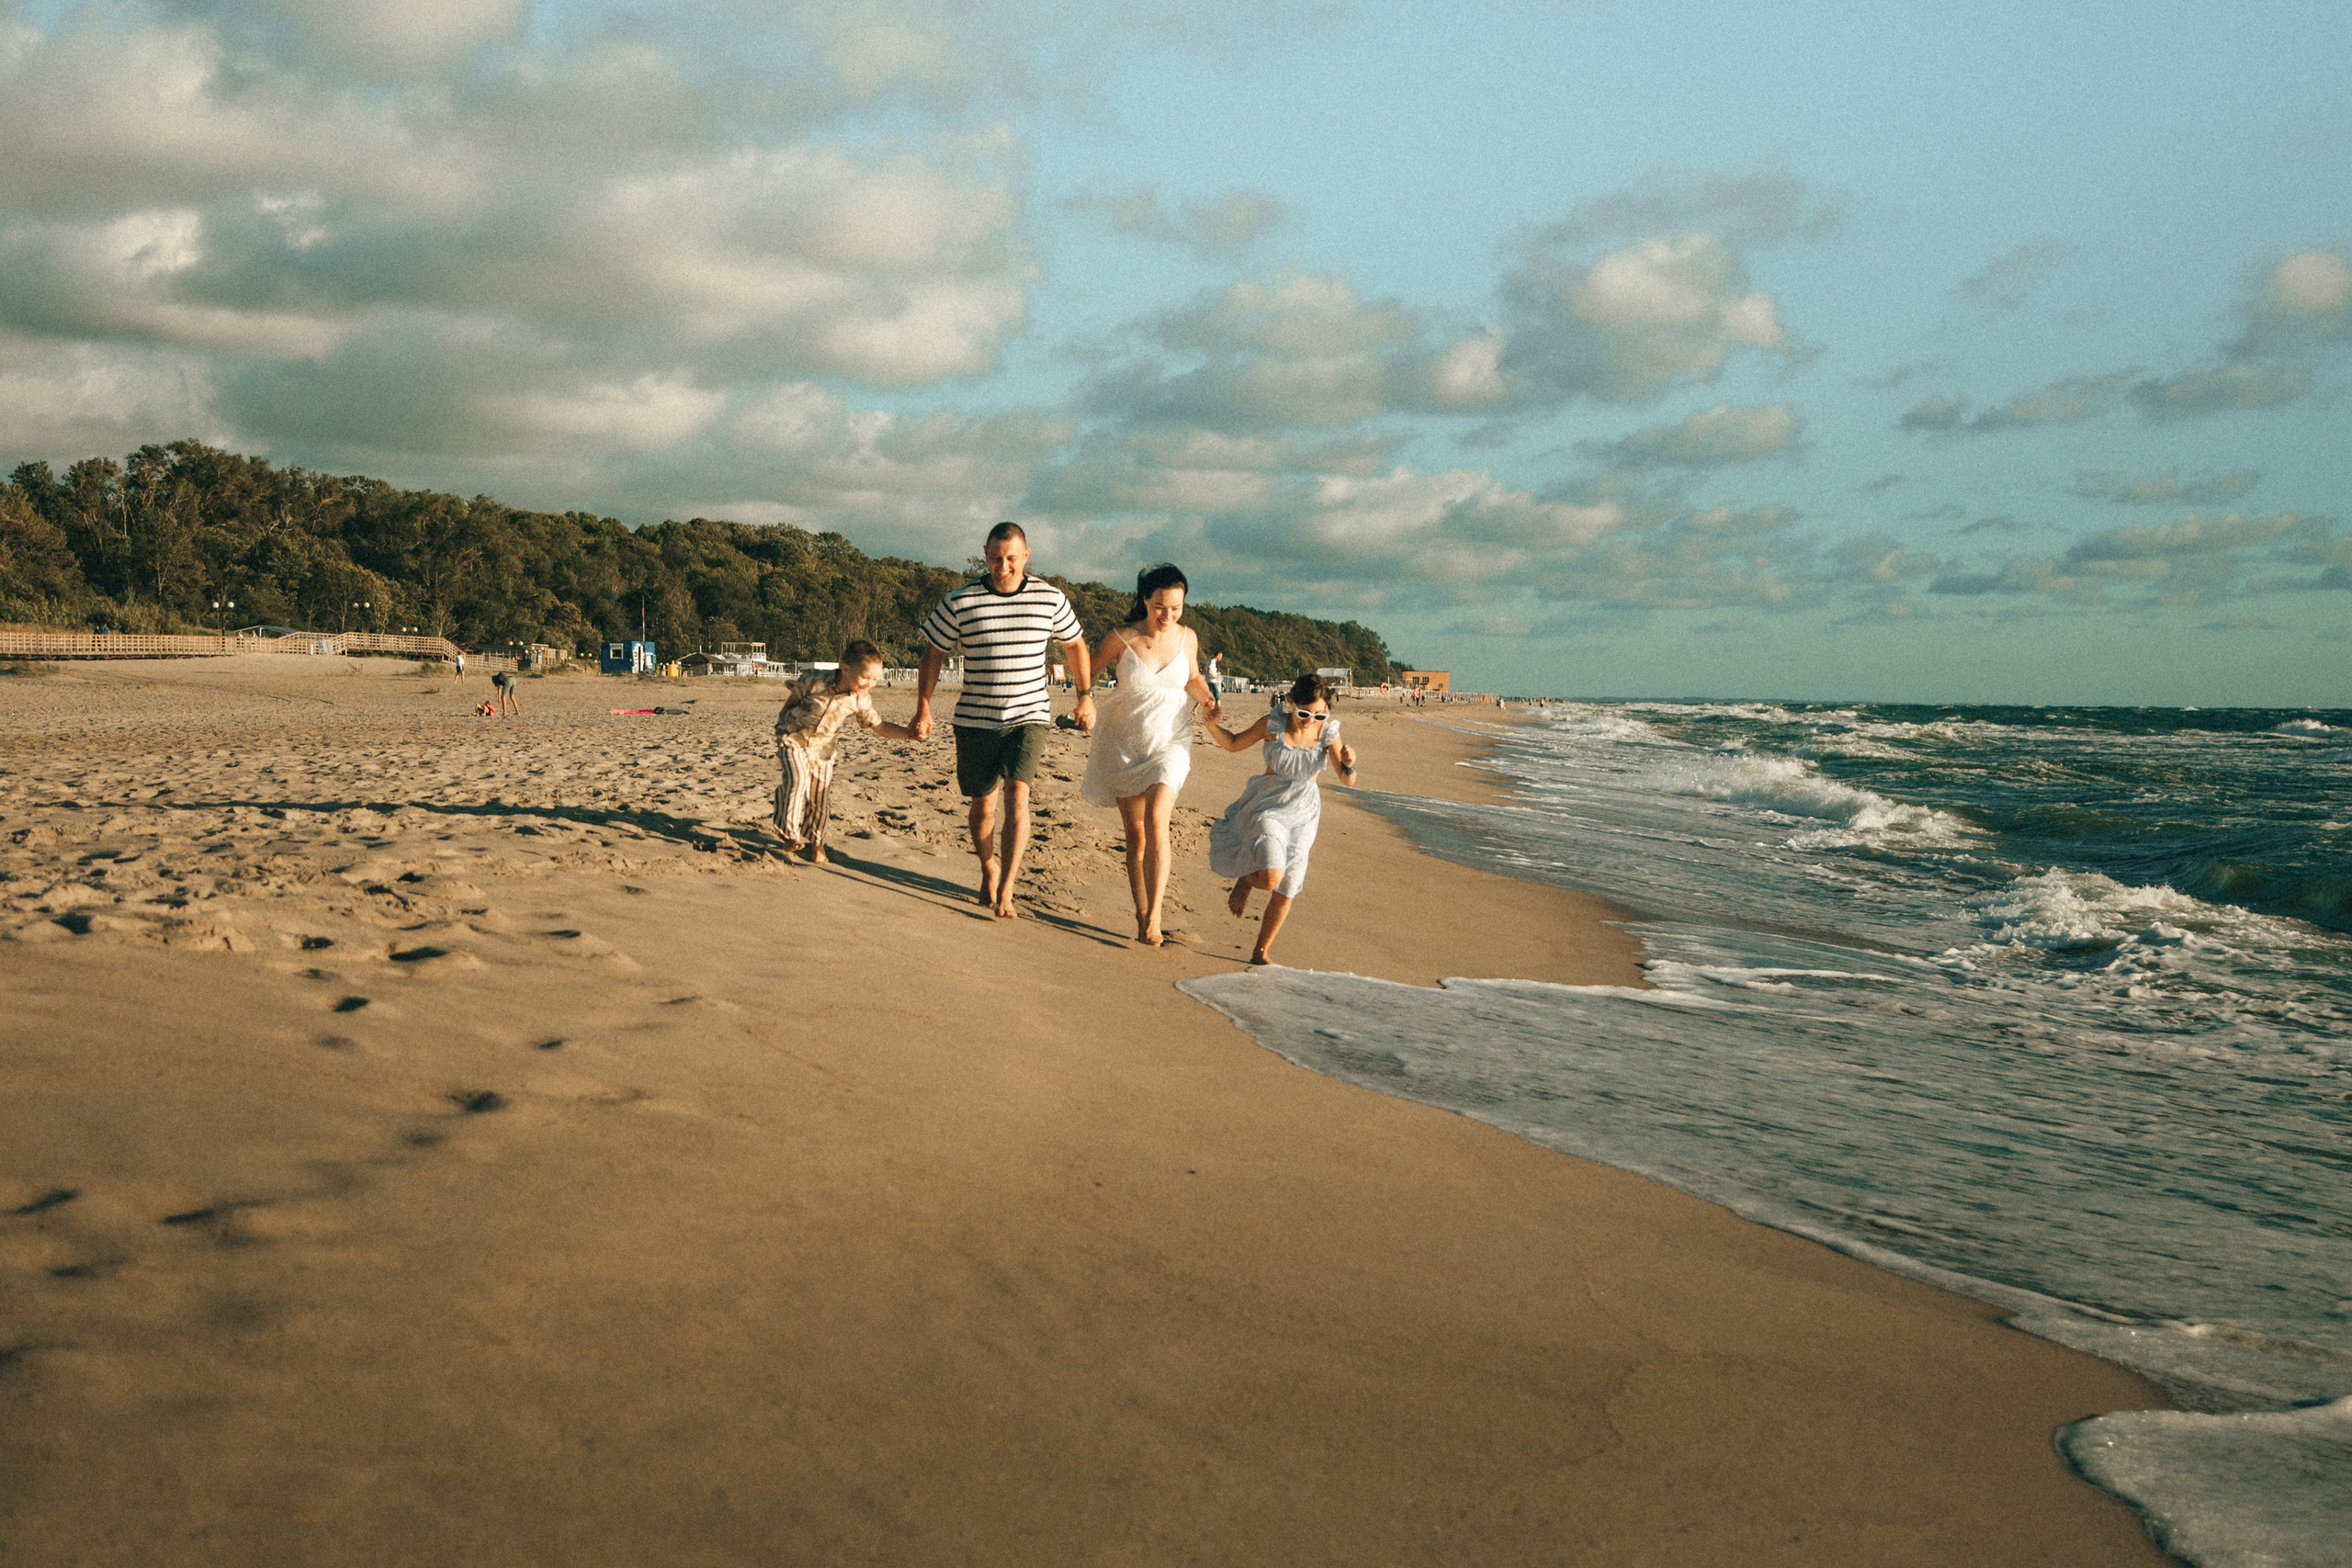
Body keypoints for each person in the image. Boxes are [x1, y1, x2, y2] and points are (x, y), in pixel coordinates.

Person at [912, 522, 1094, 919]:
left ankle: (1008, 889)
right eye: (996, 558)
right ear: (985, 555)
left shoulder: (1049, 598)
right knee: (982, 808)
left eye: (1012, 558)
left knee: (1018, 795)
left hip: (1029, 716)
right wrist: (923, 705)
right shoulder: (960, 601)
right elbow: (933, 653)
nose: (1004, 566)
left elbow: (1075, 644)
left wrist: (1085, 697)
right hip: (975, 719)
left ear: (1026, 556)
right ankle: (988, 865)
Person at [1080, 564, 1221, 947]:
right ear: (1145, 599)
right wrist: (1085, 702)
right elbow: (1086, 671)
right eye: (1160, 607)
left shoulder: (1187, 637)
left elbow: (1192, 676)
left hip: (1171, 741)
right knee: (1136, 837)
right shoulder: (1122, 638)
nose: (1167, 616)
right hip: (1124, 743)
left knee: (1158, 818)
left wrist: (1207, 698)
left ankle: (1156, 915)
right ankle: (1141, 915)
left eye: (1176, 608)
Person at [1203, 672, 1359, 966]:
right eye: (1303, 712)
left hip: (1304, 814)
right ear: (1290, 703)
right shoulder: (1272, 726)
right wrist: (1211, 726)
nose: (1309, 720)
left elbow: (1346, 779)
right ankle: (1247, 879)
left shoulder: (1327, 734)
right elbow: (1234, 743)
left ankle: (1260, 951)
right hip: (1268, 807)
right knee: (1272, 877)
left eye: (1318, 714)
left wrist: (1349, 765)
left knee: (1288, 888)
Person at [773, 639, 916, 863]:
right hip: (793, 738)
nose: (870, 683)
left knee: (820, 800)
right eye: (865, 677)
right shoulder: (814, 679)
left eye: (875, 679)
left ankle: (817, 845)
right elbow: (792, 701)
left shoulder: (860, 700)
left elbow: (879, 726)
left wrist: (908, 733)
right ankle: (790, 834)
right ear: (846, 669)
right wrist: (782, 723)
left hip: (823, 751)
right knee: (797, 780)